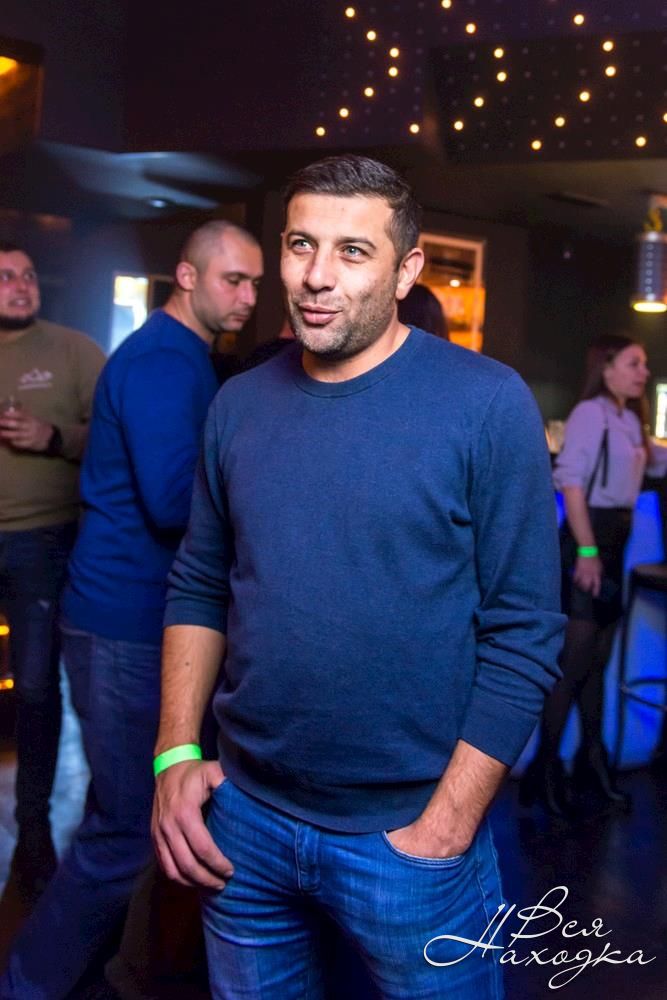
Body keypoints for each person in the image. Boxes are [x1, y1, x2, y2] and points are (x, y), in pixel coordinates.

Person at [151, 155, 564, 1000]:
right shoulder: (238, 404)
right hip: (245, 819)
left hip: (407, 836)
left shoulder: (485, 404)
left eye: (351, 251)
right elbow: (199, 582)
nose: (315, 276)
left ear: (406, 270)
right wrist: (174, 752)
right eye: (301, 243)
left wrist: (447, 825)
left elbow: (524, 631)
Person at [1, 221, 264, 999]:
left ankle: (111, 974)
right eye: (233, 280)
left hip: (133, 618)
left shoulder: (182, 357)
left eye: (255, 282)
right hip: (123, 623)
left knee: (129, 818)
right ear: (187, 277)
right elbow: (170, 499)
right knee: (124, 831)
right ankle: (26, 984)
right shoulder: (162, 363)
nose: (248, 296)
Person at [520, 333, 667, 818]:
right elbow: (571, 483)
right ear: (607, 368)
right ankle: (544, 771)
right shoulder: (590, 414)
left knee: (597, 664)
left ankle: (591, 763)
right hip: (588, 542)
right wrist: (585, 550)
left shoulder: (628, 419)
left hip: (616, 543)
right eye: (634, 363)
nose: (644, 372)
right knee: (573, 663)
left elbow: (653, 461)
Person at [0, 242, 104, 901]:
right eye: (6, 277)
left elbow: (116, 435)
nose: (21, 285)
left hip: (42, 542)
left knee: (37, 691)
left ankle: (32, 835)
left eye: (29, 275)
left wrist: (55, 436)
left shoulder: (73, 351)